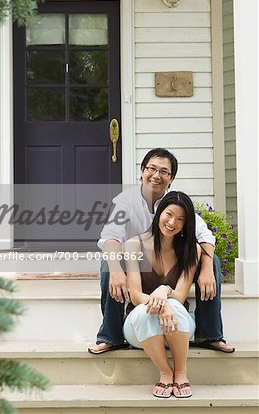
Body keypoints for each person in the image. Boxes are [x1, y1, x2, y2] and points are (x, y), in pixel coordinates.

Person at [88, 148, 234, 354]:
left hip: (172, 267)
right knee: (109, 262)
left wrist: (207, 268)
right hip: (138, 267)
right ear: (142, 170)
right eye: (152, 169)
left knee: (212, 259)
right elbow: (110, 237)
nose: (157, 176)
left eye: (164, 172)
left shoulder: (174, 202)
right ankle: (111, 336)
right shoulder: (124, 201)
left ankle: (209, 334)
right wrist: (116, 271)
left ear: (171, 178)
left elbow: (204, 235)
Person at [123, 191, 201, 398]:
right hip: (141, 331)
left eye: (181, 219)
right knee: (144, 312)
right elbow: (136, 296)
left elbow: (181, 296)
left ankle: (181, 373)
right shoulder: (134, 245)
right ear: (159, 213)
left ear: (186, 224)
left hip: (177, 327)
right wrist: (162, 304)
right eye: (169, 214)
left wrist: (164, 290)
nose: (172, 222)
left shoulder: (191, 249)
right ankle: (166, 373)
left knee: (175, 306)